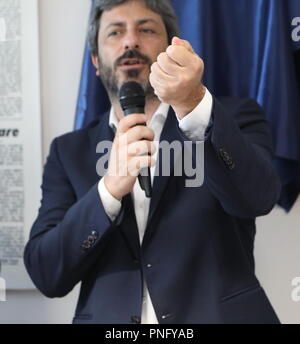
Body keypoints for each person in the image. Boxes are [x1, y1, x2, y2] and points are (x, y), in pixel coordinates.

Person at [24, 0, 282, 324]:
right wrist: (108, 191)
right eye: (115, 33)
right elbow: (46, 272)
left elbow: (259, 197)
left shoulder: (233, 118)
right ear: (96, 61)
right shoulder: (69, 152)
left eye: (146, 29)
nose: (130, 41)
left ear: (169, 50)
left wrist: (193, 106)